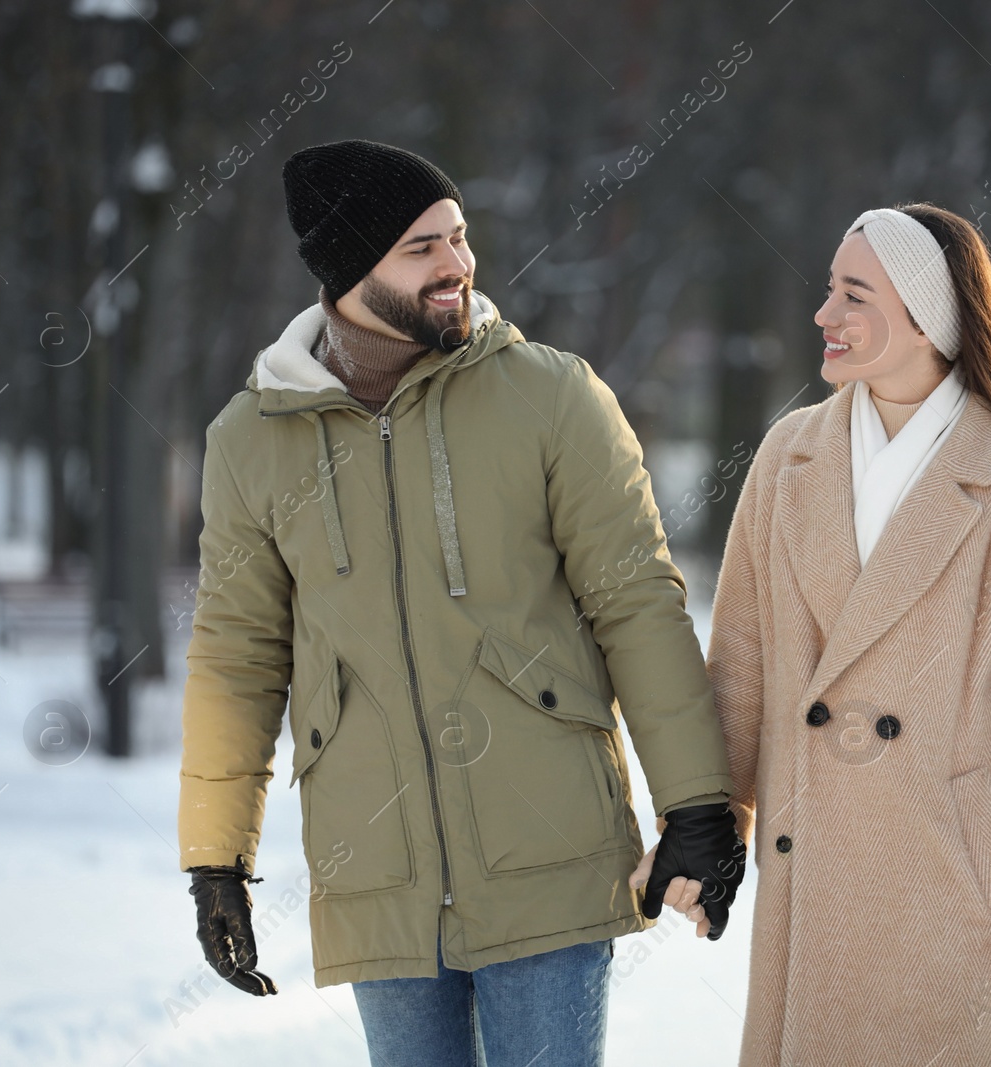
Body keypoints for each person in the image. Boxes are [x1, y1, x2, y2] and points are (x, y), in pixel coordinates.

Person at [177, 139, 746, 1067]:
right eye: (422, 247)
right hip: (376, 869)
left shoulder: (551, 395)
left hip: (549, 857)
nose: (458, 265)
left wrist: (696, 804)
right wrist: (216, 859)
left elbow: (635, 601)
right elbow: (235, 659)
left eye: (459, 236)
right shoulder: (252, 439)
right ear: (349, 266)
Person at [694, 202, 991, 1065]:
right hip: (806, 876)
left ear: (929, 318)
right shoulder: (786, 455)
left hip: (957, 892)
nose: (824, 315)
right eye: (827, 289)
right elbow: (739, 664)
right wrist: (710, 823)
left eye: (854, 294)